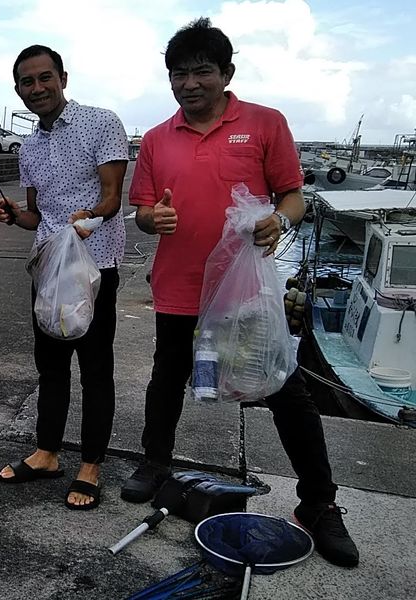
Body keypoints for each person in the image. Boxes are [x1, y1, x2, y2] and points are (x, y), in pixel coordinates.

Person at [126, 18, 359, 567]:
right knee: (168, 377)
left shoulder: (264, 123)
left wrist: (279, 219)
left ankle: (319, 503)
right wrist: (148, 218)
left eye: (202, 71)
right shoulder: (157, 138)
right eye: (178, 74)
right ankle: (155, 462)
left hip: (246, 296)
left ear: (226, 73)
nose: (190, 83)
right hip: (179, 289)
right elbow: (139, 211)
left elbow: (294, 197)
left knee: (285, 390)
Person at [0, 45, 128, 510]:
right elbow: (37, 216)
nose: (37, 88)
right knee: (50, 367)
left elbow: (112, 198)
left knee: (95, 369)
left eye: (44, 78)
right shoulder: (28, 146)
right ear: (18, 91)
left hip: (95, 267)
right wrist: (14, 215)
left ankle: (91, 463)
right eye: (27, 83)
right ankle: (47, 452)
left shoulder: (102, 122)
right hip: (48, 268)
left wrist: (88, 217)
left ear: (63, 78)